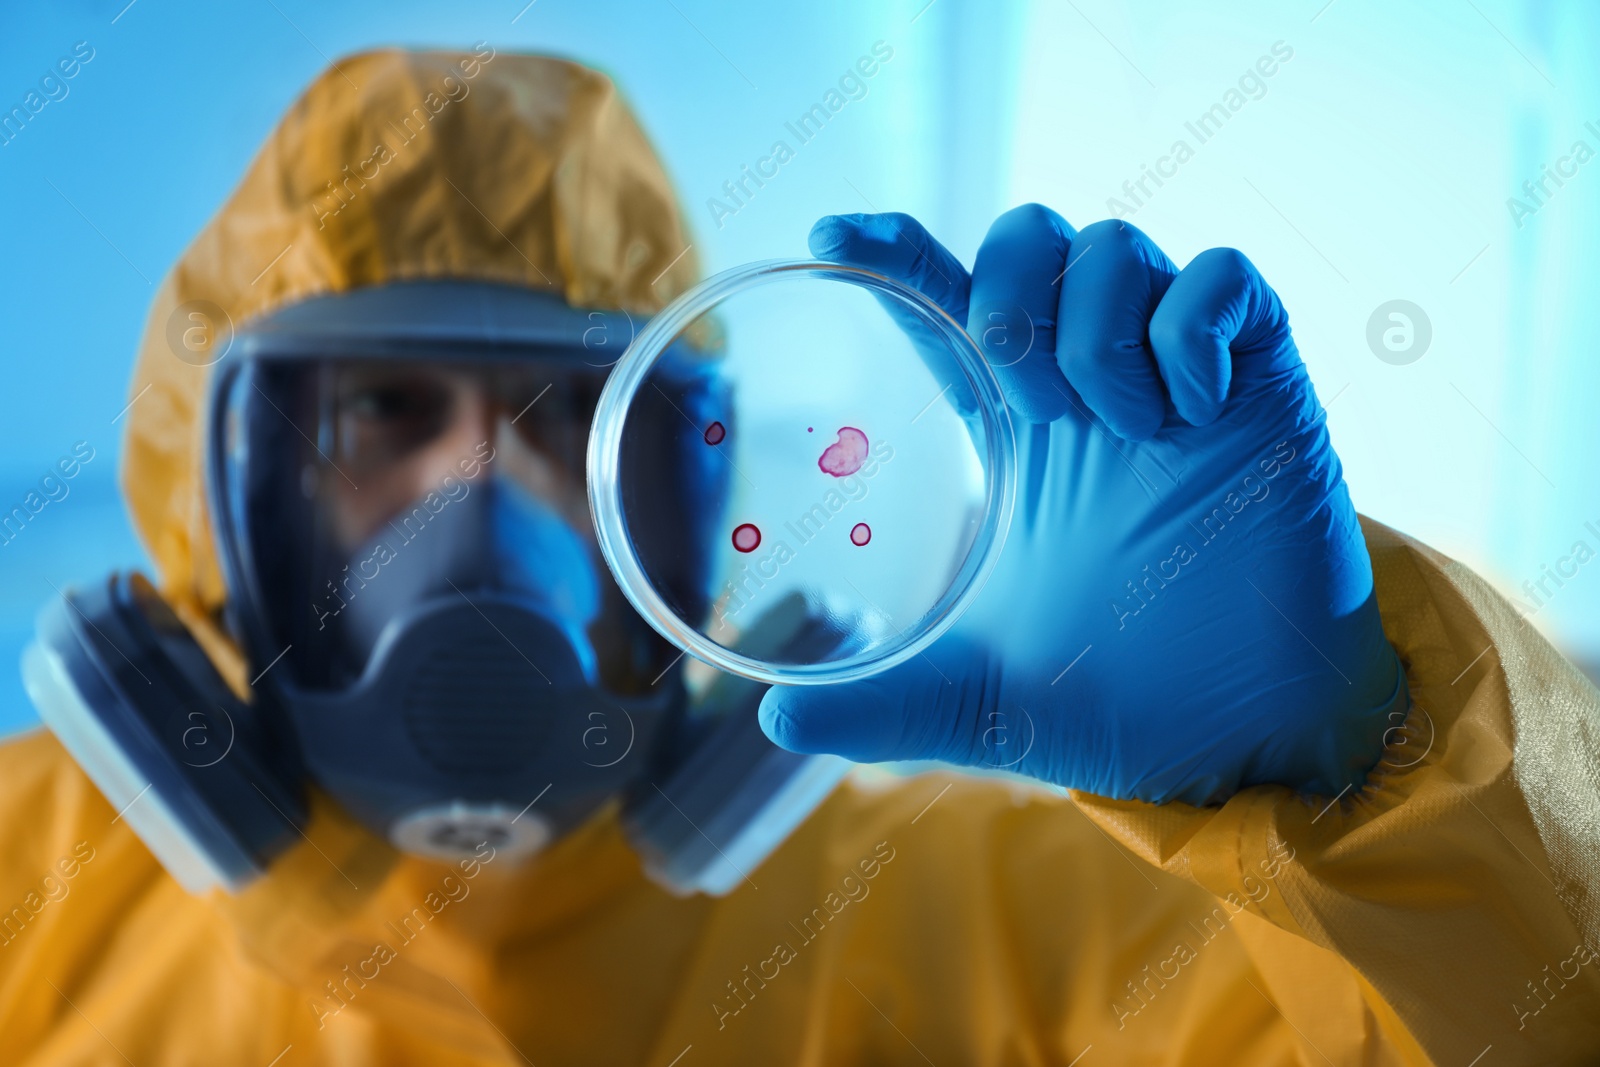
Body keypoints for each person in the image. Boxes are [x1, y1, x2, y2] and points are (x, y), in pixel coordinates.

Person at [4, 46, 1597, 1066]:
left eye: (568, 423)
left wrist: (1348, 788)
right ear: (226, 500)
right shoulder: (30, 879)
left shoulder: (982, 923)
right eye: (387, 414)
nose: (475, 489)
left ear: (680, 503)